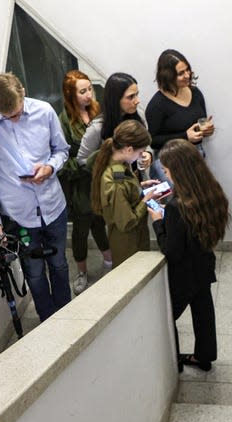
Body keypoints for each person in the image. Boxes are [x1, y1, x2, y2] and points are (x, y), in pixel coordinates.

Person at [0, 72, 71, 321]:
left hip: (53, 206)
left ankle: (69, 318)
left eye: (17, 113)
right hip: (18, 217)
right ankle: (48, 323)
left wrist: (49, 168)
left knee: (59, 265)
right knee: (34, 275)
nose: (14, 119)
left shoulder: (44, 112)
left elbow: (62, 151)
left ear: (23, 92)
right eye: (7, 117)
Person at [149, 139, 229, 372]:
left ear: (178, 171)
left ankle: (173, 364)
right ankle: (205, 357)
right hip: (204, 264)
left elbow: (171, 251)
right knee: (203, 312)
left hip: (183, 273)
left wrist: (158, 221)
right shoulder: (211, 190)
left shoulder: (176, 207)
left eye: (166, 171)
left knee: (166, 316)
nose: (165, 175)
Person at [58, 70, 113, 295]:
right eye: (82, 92)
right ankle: (82, 272)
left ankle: (109, 261)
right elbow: (62, 160)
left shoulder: (98, 111)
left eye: (90, 89)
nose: (89, 95)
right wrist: (84, 164)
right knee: (81, 229)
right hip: (80, 184)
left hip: (100, 181)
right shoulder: (64, 121)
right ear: (70, 95)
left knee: (100, 222)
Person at [91, 120, 159, 267]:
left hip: (134, 236)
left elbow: (125, 189)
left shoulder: (119, 164)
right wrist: (146, 200)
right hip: (128, 243)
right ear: (129, 149)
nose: (142, 156)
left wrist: (140, 186)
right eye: (141, 152)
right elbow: (126, 222)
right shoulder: (114, 182)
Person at [145, 49, 214, 181]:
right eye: (181, 73)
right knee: (178, 201)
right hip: (170, 164)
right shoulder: (157, 105)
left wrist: (205, 130)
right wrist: (185, 136)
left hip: (195, 157)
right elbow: (152, 141)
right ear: (168, 76)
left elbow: (199, 123)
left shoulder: (196, 93)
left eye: (188, 70)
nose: (187, 75)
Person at [76, 72, 152, 171]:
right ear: (116, 99)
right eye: (131, 97)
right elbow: (82, 160)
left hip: (136, 179)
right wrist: (110, 165)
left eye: (137, 94)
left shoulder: (138, 116)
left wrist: (148, 154)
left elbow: (145, 143)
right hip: (111, 182)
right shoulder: (97, 128)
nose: (137, 101)